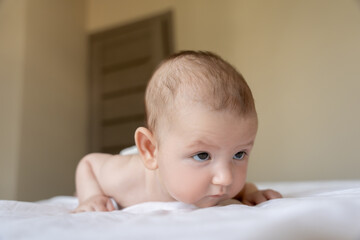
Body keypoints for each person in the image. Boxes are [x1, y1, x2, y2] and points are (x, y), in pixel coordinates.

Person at [73, 51, 282, 213]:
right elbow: (89, 164)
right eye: (202, 155)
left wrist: (253, 193)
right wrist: (90, 197)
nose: (225, 178)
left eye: (239, 154)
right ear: (150, 149)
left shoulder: (219, 182)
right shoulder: (125, 178)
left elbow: (244, 187)